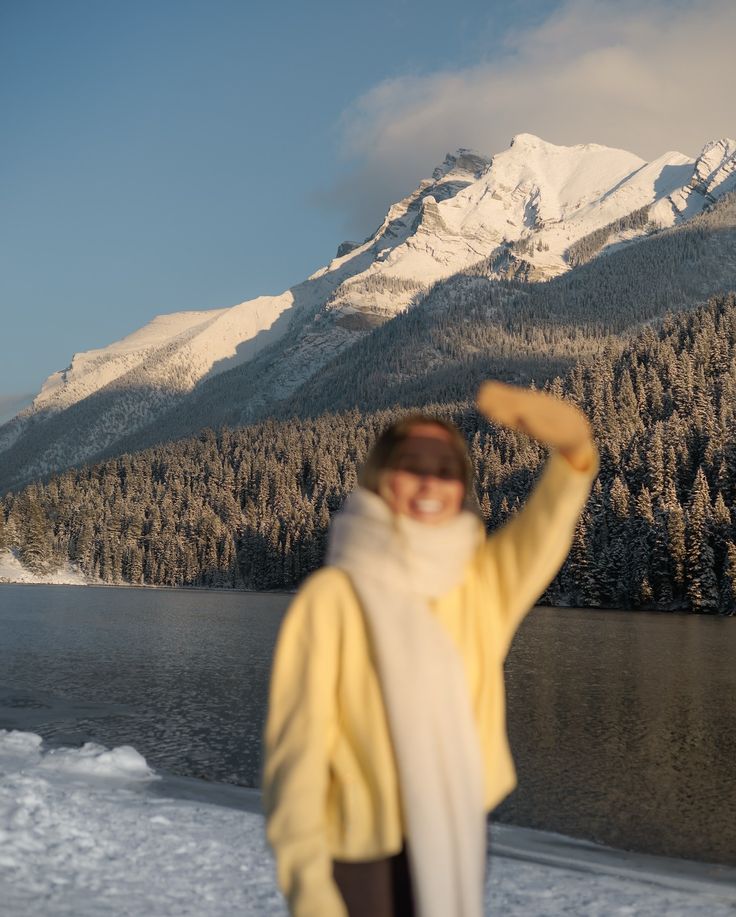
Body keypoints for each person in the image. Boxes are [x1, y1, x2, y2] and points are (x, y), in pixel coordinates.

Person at [262, 380, 599, 917]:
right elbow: (295, 754)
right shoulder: (332, 598)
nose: (427, 482)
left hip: (455, 826)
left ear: (461, 486)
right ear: (379, 475)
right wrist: (306, 881)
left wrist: (574, 451)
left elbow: (547, 527)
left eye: (445, 469)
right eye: (410, 464)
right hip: (360, 848)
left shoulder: (480, 585)